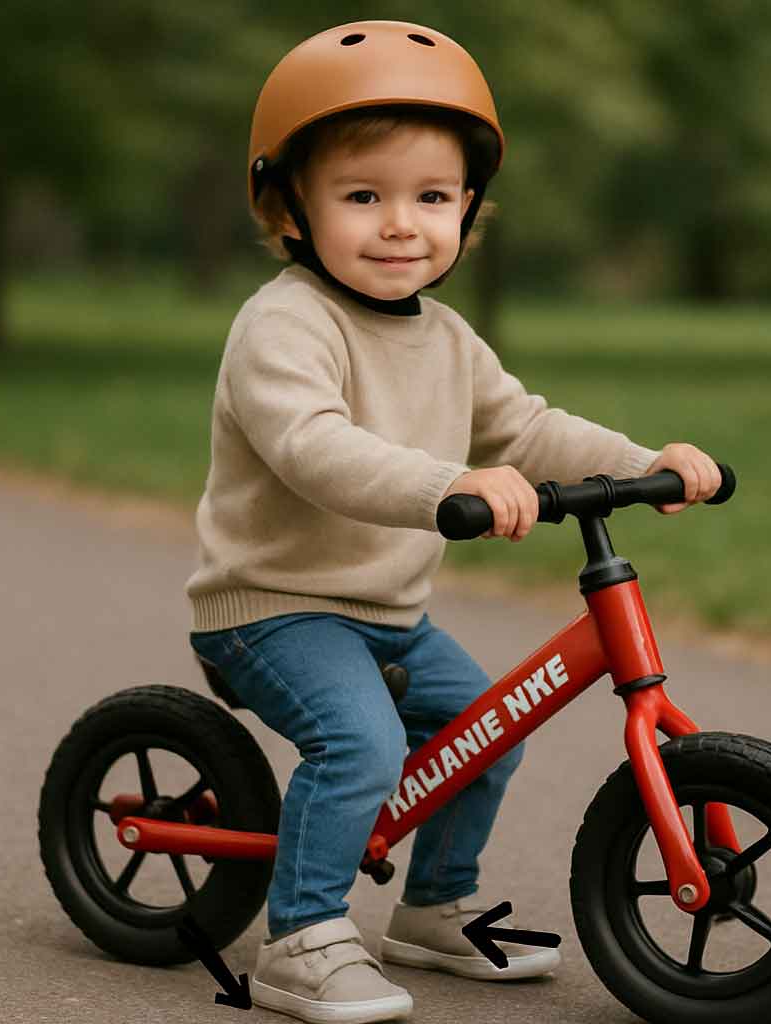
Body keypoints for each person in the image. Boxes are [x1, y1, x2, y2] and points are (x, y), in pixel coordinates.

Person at [186, 19, 722, 1024]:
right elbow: (313, 447)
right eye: (362, 195)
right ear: (287, 205)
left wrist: (641, 460)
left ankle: (432, 908)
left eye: (431, 198)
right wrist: (449, 484)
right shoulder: (284, 324)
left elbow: (528, 426)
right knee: (362, 745)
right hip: (274, 609)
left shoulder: (446, 337)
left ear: (466, 210)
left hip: (387, 610)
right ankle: (301, 937)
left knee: (488, 728)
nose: (401, 224)